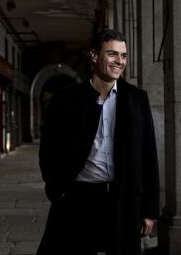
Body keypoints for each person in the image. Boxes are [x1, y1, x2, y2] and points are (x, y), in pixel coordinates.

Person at [36, 29, 159, 255]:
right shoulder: (65, 99)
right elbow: (48, 151)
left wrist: (149, 210)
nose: (119, 61)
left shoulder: (137, 99)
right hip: (77, 199)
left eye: (123, 55)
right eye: (112, 54)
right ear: (94, 55)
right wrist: (57, 191)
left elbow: (148, 156)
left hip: (122, 199)